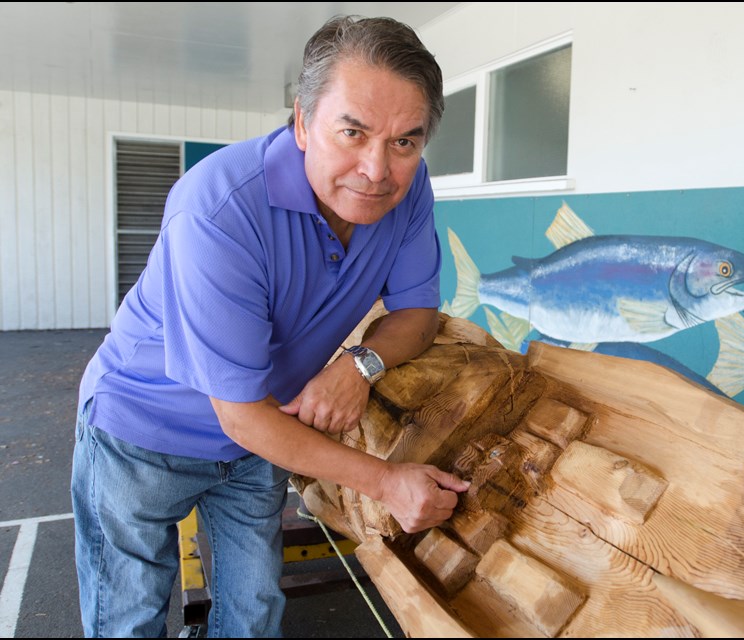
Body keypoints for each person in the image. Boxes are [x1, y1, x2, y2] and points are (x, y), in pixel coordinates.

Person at [71, 15, 469, 638]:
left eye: (405, 142)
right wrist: (387, 482)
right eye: (353, 132)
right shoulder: (219, 208)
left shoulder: (409, 189)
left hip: (264, 435)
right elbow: (238, 413)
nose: (376, 169)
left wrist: (358, 365)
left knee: (253, 617)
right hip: (142, 432)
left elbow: (418, 315)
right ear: (303, 122)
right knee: (128, 619)